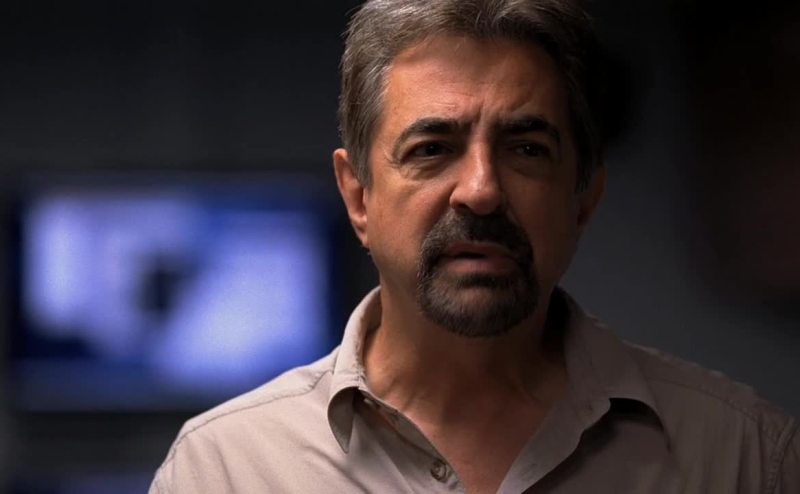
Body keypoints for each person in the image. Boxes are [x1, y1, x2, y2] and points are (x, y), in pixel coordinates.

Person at [149, 0, 799, 492]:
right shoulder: (225, 470)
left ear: (583, 198)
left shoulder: (747, 458)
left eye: (526, 149)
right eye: (432, 149)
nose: (482, 191)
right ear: (358, 197)